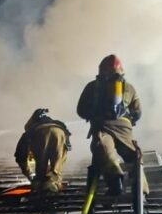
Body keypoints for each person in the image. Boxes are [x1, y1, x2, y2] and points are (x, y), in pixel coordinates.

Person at [77, 56, 148, 197]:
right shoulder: (129, 87)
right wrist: (129, 120)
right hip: (124, 128)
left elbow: (81, 110)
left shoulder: (92, 87)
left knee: (103, 149)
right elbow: (137, 112)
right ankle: (141, 192)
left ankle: (115, 181)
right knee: (134, 157)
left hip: (102, 125)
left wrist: (92, 114)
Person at [14, 109, 72, 196]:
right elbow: (63, 153)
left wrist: (28, 174)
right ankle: (53, 183)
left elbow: (20, 156)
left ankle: (41, 185)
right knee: (57, 166)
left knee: (41, 167)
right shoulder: (57, 124)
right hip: (60, 132)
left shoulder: (29, 131)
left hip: (40, 132)